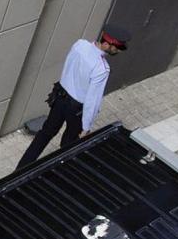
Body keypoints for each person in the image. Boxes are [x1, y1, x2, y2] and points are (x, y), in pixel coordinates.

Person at [16, 24, 131, 169]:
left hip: (59, 98)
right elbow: (92, 100)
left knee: (44, 134)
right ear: (107, 44)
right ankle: (60, 171)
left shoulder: (79, 45)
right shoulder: (101, 68)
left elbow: (69, 67)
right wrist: (86, 127)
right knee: (68, 145)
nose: (118, 51)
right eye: (117, 48)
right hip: (75, 109)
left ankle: (20, 169)